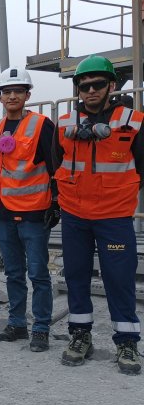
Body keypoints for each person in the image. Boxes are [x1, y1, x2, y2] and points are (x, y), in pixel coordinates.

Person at [54, 55, 143, 374]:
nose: (90, 90)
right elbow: (56, 164)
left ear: (112, 86)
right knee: (76, 276)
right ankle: (80, 336)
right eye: (84, 85)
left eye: (97, 84)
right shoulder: (65, 124)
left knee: (119, 280)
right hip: (75, 216)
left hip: (114, 217)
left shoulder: (132, 121)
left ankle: (127, 342)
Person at [0, 68, 57, 352]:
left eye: (18, 91)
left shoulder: (42, 125)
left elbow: (55, 166)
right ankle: (17, 323)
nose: (13, 96)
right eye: (7, 91)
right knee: (14, 273)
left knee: (39, 274)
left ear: (28, 95)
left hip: (33, 212)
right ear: (1, 97)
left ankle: (41, 328)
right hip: (4, 212)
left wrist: (56, 203)